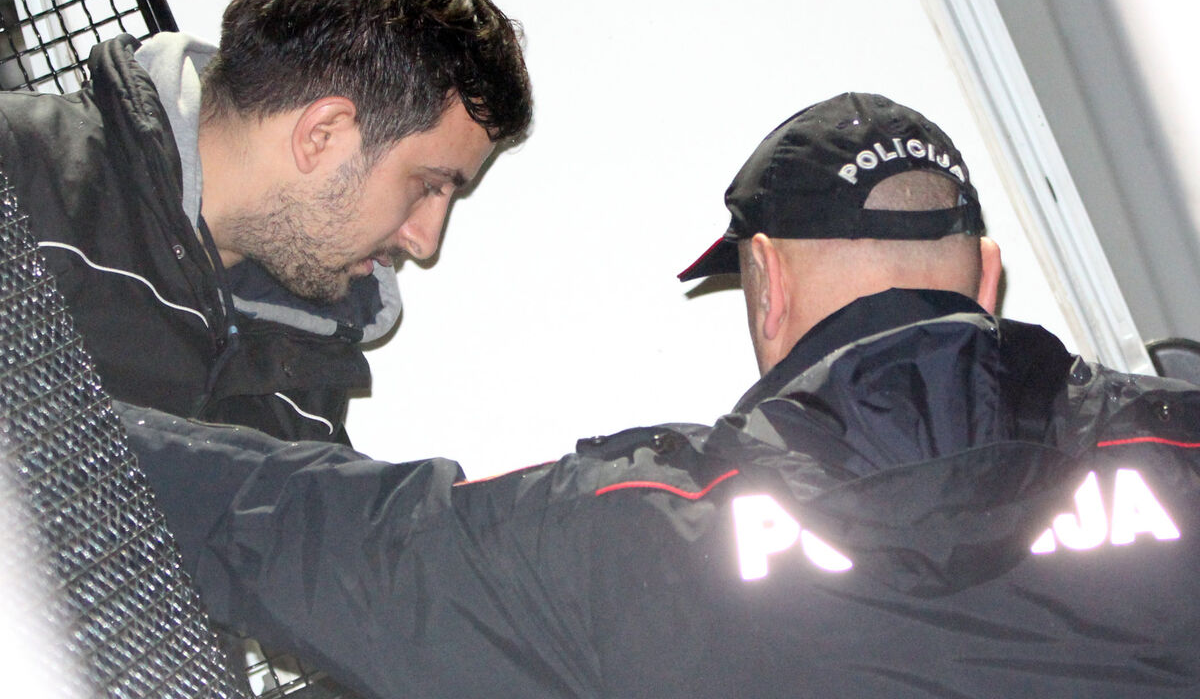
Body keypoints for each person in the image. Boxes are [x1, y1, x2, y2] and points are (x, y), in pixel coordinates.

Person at [124, 93, 1200, 697]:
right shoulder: (1181, 448)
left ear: (767, 282)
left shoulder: (641, 532)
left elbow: (304, 533)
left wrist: (66, 427)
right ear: (987, 275)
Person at [0, 0, 532, 444]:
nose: (425, 241)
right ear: (322, 135)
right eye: (429, 186)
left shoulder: (303, 382)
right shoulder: (16, 183)